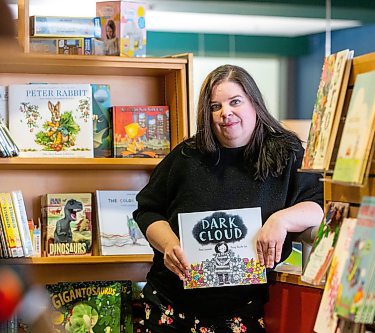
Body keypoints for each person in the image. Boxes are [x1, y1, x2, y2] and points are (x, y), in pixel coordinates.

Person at [134, 64, 324, 332]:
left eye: (235, 101)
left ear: (254, 104)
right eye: (215, 106)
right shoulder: (187, 156)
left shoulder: (287, 153)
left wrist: (281, 220)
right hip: (171, 306)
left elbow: (320, 205)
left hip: (242, 312)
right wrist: (168, 244)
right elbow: (147, 210)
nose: (226, 113)